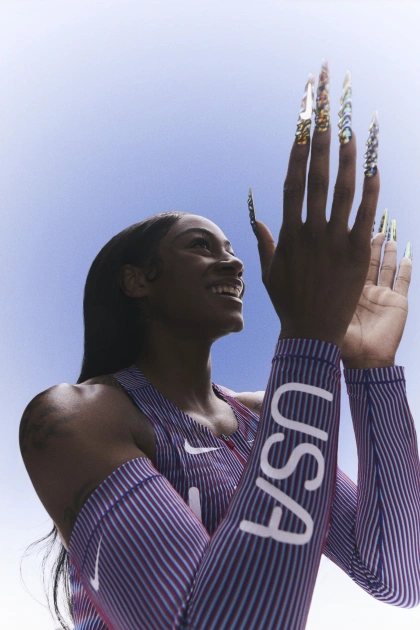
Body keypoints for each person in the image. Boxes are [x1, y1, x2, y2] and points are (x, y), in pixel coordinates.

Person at [19, 65, 420, 630]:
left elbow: (399, 576)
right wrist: (306, 342)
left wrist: (370, 371)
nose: (233, 263)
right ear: (138, 280)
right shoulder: (76, 418)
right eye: (200, 247)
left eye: (231, 249)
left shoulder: (265, 418)